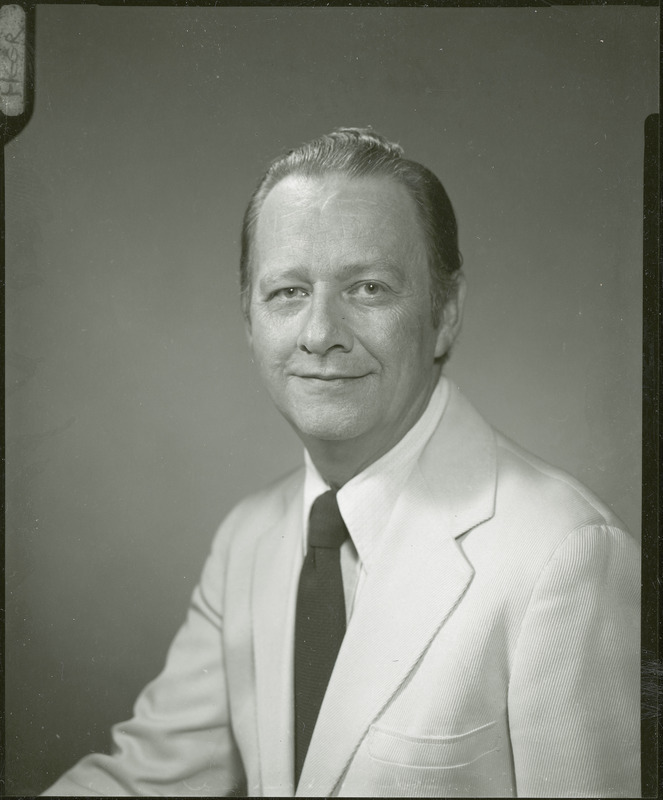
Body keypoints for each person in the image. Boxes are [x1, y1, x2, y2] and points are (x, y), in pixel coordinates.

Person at [43, 128, 640, 798]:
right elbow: (145, 782)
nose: (320, 333)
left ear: (444, 313)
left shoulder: (566, 555)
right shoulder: (247, 538)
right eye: (287, 293)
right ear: (248, 320)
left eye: (368, 288)